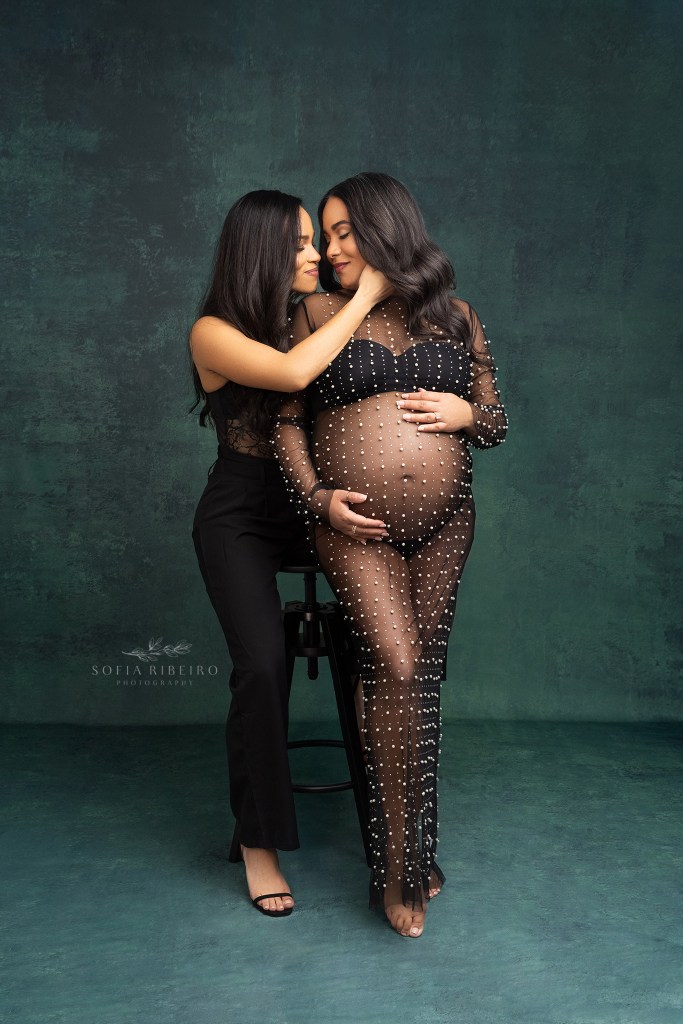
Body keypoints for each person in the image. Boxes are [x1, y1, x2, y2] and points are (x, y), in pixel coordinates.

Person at [273, 172, 507, 938]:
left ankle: (413, 855)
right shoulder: (311, 313)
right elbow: (286, 424)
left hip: (446, 524)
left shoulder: (458, 316)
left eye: (344, 232)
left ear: (386, 231)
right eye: (327, 234)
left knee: (422, 679)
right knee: (396, 666)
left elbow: (497, 422)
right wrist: (317, 501)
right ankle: (398, 865)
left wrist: (468, 410)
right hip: (352, 523)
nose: (331, 248)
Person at [189, 189, 392, 918]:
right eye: (301, 243)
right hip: (241, 515)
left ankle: (397, 834)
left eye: (318, 241)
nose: (317, 254)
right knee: (263, 664)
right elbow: (295, 375)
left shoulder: (312, 317)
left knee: (383, 645)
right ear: (260, 252)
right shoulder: (212, 332)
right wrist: (367, 292)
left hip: (317, 505)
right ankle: (258, 842)